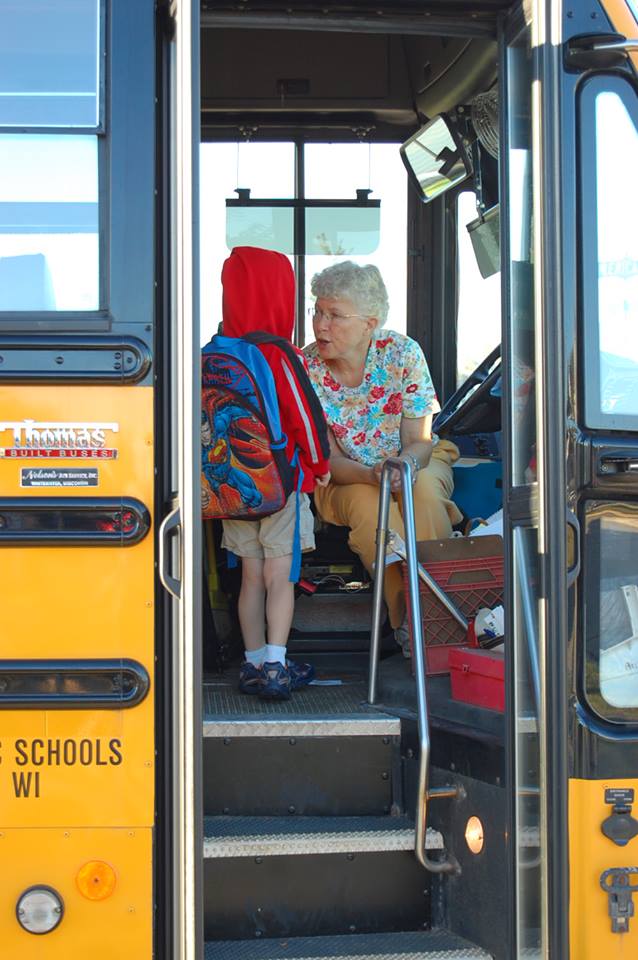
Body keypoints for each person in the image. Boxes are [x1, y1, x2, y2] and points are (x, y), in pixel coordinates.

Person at [304, 261, 462, 655]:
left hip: (413, 461)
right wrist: (373, 475)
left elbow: (419, 442)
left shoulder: (403, 354)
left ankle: (445, 614)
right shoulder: (305, 367)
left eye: (335, 315)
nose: (321, 324)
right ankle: (410, 623)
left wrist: (401, 466)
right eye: (318, 311)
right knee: (374, 513)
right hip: (345, 477)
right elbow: (328, 459)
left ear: (369, 323)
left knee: (422, 492)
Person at [219, 246, 331, 700]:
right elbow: (305, 420)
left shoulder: (216, 353)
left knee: (250, 577)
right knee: (279, 577)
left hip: (232, 490)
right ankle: (276, 665)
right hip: (281, 488)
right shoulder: (279, 354)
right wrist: (320, 468)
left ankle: (250, 663)